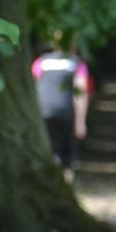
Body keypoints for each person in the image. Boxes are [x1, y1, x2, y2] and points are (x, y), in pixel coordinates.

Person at [31, 30, 90, 183]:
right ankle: (66, 183)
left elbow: (33, 88)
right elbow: (80, 92)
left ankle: (52, 182)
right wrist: (81, 122)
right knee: (69, 155)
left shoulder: (41, 62)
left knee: (53, 151)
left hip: (44, 113)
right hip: (67, 113)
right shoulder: (77, 64)